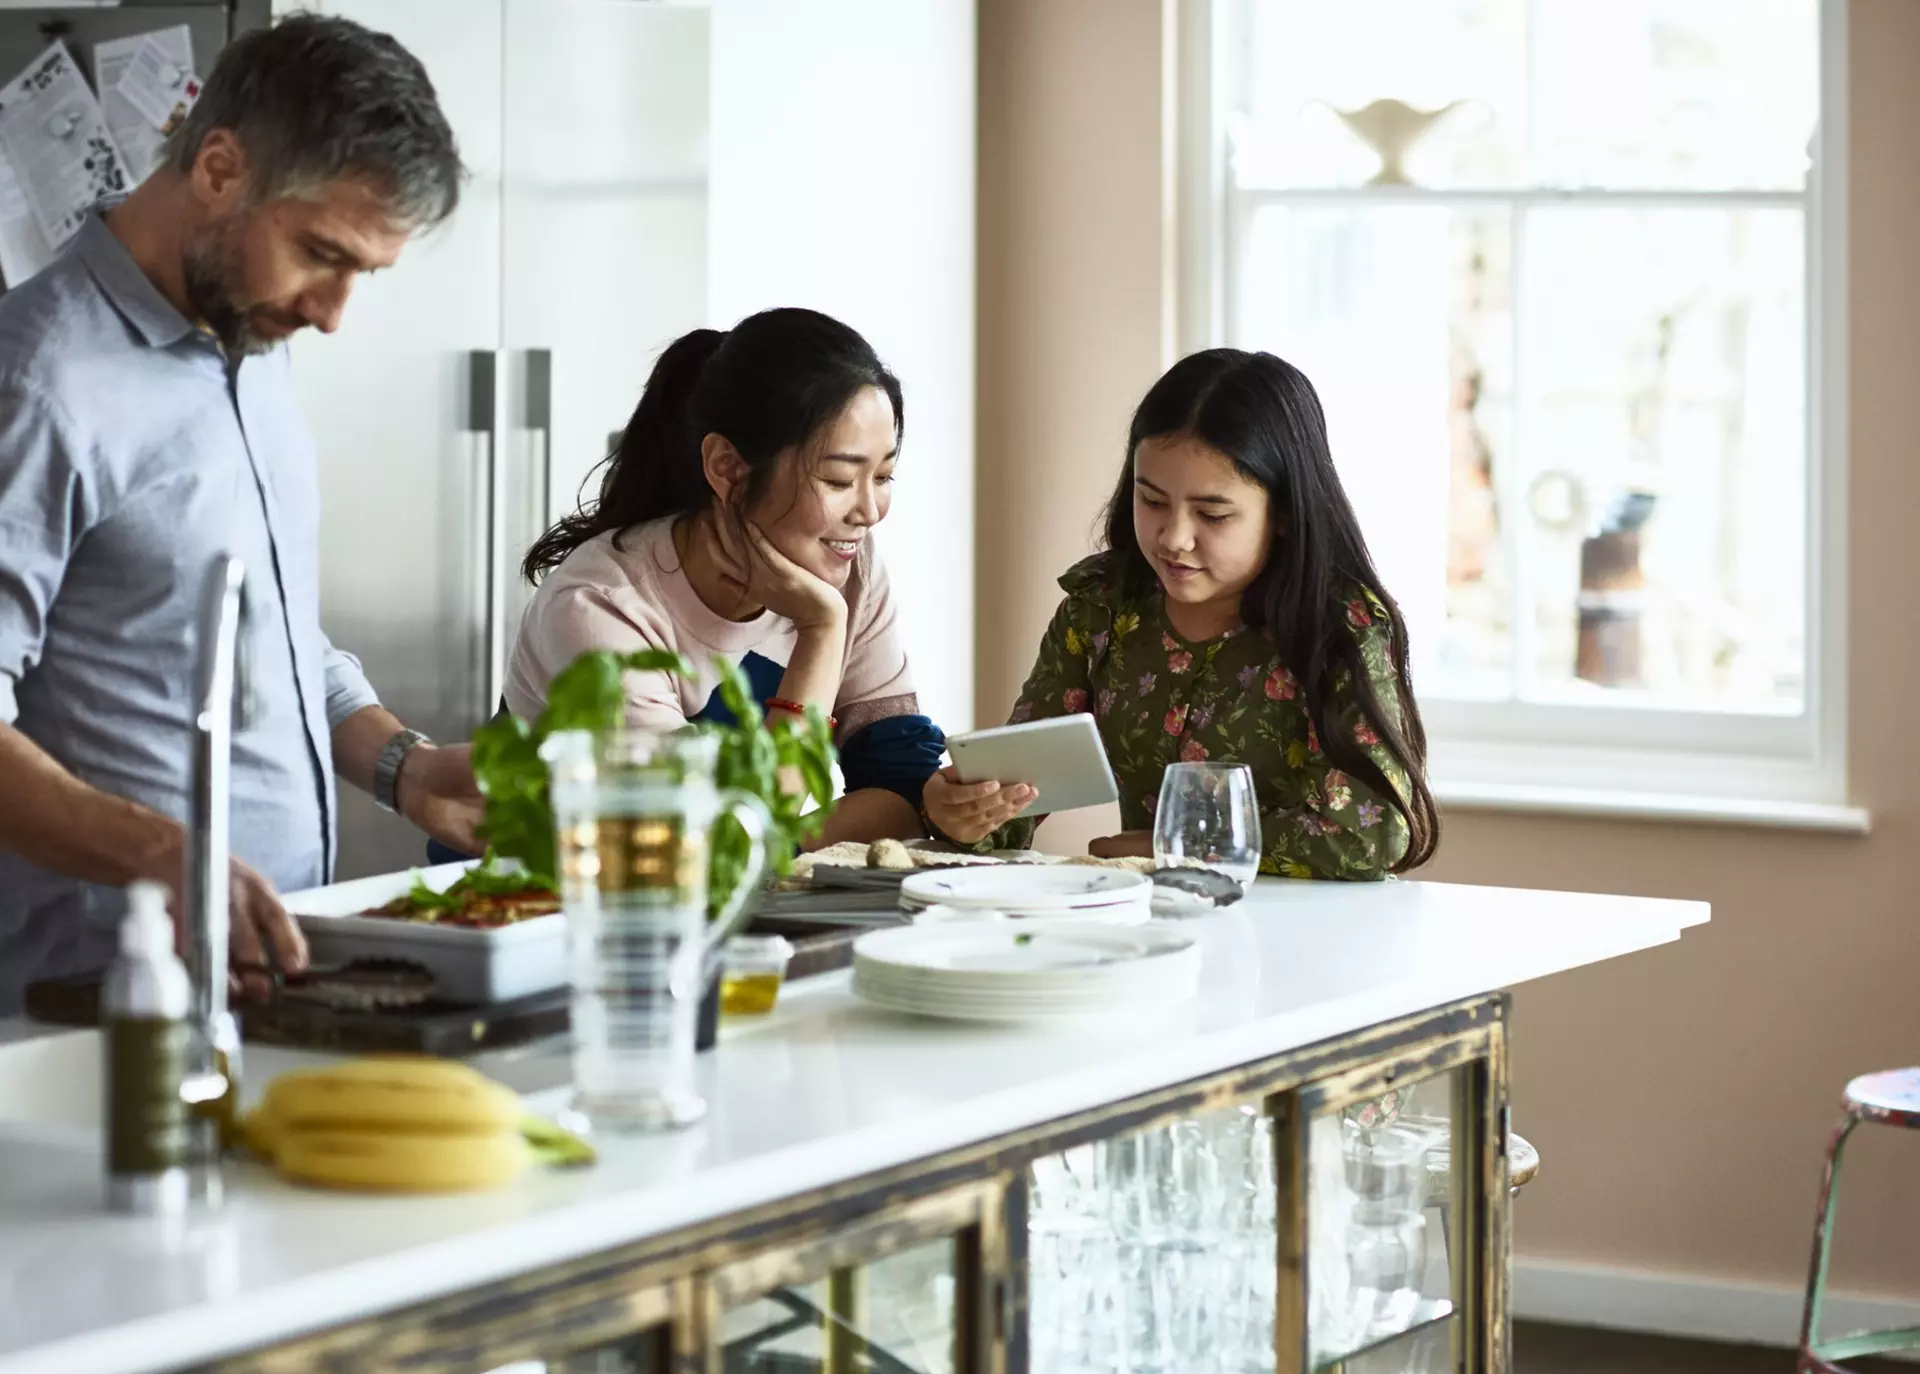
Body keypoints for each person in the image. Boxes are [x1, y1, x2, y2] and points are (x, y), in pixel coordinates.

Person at [0, 15, 480, 1015]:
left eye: (364, 275)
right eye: (322, 254)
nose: (334, 312)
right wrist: (163, 855)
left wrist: (406, 767)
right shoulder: (38, 382)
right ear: (219, 168)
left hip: (274, 970)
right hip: (92, 1005)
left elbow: (263, 628)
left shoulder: (250, 340)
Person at [923, 348, 1439, 880]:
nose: (1173, 538)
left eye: (1212, 514)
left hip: (1312, 937)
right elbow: (1021, 794)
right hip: (1151, 924)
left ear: (1283, 512)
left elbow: (1372, 832)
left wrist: (1178, 844)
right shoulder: (1101, 606)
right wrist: (964, 812)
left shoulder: (1340, 625)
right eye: (1151, 501)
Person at [506, 308, 944, 845]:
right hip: (528, 913)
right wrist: (823, 630)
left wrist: (776, 838)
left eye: (883, 476)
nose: (869, 511)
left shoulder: (852, 568)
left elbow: (904, 792)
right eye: (837, 478)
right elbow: (710, 845)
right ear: (728, 468)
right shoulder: (601, 609)